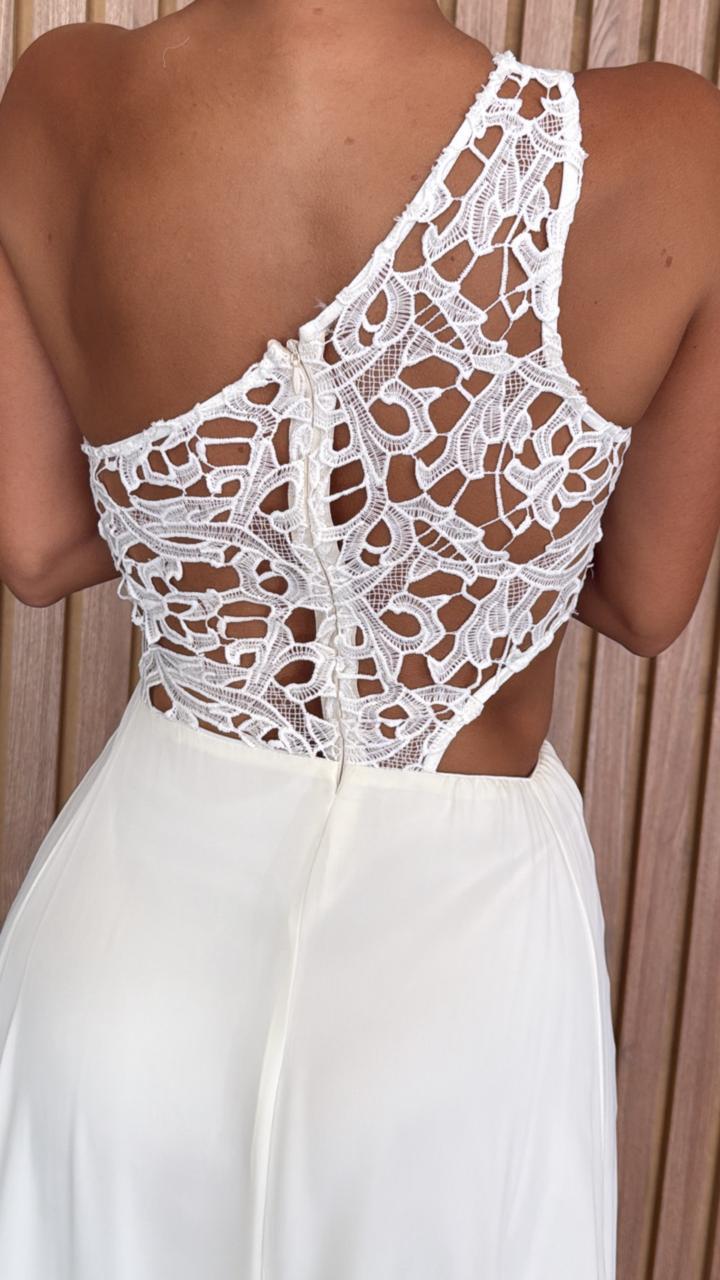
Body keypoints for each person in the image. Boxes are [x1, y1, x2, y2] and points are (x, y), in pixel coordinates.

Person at [0, 2, 719, 1277]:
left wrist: (228, 508)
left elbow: (41, 544)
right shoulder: (673, 149)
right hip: (459, 996)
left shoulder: (61, 98)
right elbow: (645, 597)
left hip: (125, 959)